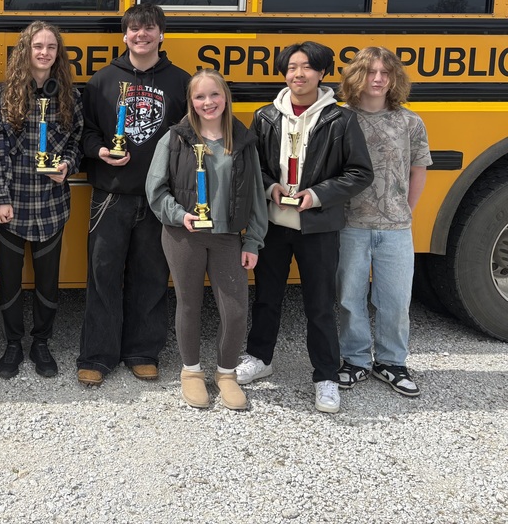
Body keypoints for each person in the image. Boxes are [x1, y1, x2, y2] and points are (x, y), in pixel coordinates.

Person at [237, 41, 373, 414]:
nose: (299, 74)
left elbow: (360, 172)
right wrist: (270, 187)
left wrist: (317, 195)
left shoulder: (341, 119)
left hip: (318, 227)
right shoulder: (266, 116)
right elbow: (254, 165)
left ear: (322, 73)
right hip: (274, 225)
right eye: (292, 67)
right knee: (267, 296)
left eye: (307, 67)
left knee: (319, 303)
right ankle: (260, 358)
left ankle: (326, 375)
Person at [76, 2, 189, 387]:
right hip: (111, 194)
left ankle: (143, 350)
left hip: (159, 197)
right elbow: (86, 132)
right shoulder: (103, 80)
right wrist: (100, 151)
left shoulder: (180, 82)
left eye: (149, 28)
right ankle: (97, 353)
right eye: (134, 29)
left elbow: (192, 138)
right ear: (124, 36)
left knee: (152, 275)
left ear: (161, 34)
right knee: (102, 275)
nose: (141, 35)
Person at [146, 70, 267, 410]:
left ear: (225, 97)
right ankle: (192, 372)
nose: (208, 102)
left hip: (228, 237)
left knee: (235, 309)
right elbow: (156, 189)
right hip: (184, 235)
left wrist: (253, 241)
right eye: (200, 97)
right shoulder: (175, 138)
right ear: (191, 102)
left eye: (214, 95)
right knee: (188, 304)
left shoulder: (242, 142)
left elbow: (257, 196)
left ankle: (226, 373)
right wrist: (178, 214)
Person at [0, 21, 83, 379]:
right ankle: (13, 343)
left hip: (52, 204)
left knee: (48, 280)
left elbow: (76, 141)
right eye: (37, 46)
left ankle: (41, 342)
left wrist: (67, 165)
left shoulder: (69, 96)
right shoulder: (6, 94)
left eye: (51, 47)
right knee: (9, 280)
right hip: (13, 203)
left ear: (58, 54)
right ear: (25, 50)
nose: (43, 52)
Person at [336, 47, 430, 397]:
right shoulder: (340, 118)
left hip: (395, 227)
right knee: (349, 297)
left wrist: (406, 209)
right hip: (350, 224)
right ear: (356, 77)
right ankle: (355, 359)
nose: (378, 79)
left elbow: (418, 168)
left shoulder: (410, 121)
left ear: (394, 79)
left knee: (394, 299)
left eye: (385, 73)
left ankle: (392, 361)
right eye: (371, 72)